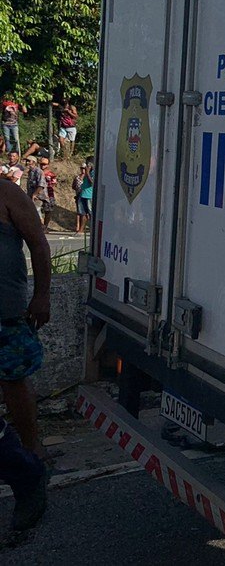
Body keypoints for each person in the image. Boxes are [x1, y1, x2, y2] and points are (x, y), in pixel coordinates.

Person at [0, 174, 50, 530]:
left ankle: (32, 451)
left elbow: (39, 244)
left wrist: (42, 295)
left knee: (14, 382)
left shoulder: (6, 192)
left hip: (6, 311)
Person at [37, 158, 57, 232]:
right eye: (41, 164)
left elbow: (53, 184)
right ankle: (40, 225)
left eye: (44, 164)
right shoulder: (37, 173)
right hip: (38, 194)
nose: (42, 166)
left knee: (48, 211)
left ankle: (45, 226)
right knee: (36, 210)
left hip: (48, 194)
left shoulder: (51, 174)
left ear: (48, 165)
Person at [75, 160, 94, 234]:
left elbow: (92, 183)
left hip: (89, 195)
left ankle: (93, 229)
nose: (86, 166)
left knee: (91, 212)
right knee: (83, 213)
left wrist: (88, 172)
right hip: (83, 194)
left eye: (88, 165)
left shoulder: (93, 173)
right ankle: (81, 230)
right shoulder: (86, 173)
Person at [24, 157, 44, 222]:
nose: (27, 162)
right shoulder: (30, 171)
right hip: (31, 195)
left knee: (37, 212)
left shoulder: (38, 171)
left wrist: (35, 194)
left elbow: (41, 185)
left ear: (34, 162)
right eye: (27, 161)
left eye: (29, 161)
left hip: (37, 196)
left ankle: (41, 226)